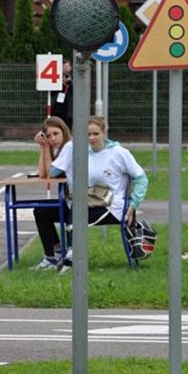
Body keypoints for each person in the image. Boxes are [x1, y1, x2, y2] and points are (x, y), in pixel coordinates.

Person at [49, 115, 149, 272]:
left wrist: (133, 205)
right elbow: (56, 172)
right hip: (91, 202)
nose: (91, 138)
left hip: (113, 207)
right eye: (88, 134)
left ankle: (71, 258)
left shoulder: (120, 153)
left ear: (104, 132)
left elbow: (141, 178)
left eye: (95, 134)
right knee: (73, 207)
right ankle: (69, 255)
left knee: (76, 213)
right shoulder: (83, 153)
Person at [30, 116, 72, 270]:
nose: (52, 139)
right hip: (71, 201)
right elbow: (43, 173)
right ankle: (57, 250)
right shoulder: (62, 149)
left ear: (64, 132)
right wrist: (43, 147)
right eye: (48, 136)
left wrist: (46, 148)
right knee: (40, 211)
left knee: (42, 213)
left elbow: (52, 173)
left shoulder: (69, 146)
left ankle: (51, 258)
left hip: (79, 203)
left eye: (56, 134)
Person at [49, 59, 72, 128]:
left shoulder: (75, 76)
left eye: (67, 66)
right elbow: (52, 91)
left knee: (67, 125)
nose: (65, 68)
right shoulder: (56, 76)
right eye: (64, 66)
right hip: (57, 106)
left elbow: (76, 90)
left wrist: (69, 82)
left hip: (68, 106)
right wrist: (62, 83)